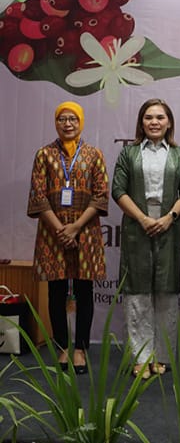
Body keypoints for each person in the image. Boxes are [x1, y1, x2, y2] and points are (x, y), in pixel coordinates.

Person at [112, 98, 180, 379]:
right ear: (141, 122)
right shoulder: (129, 153)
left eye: (160, 117)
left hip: (169, 225)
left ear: (169, 121)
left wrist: (168, 217)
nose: (154, 122)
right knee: (137, 294)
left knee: (165, 293)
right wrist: (144, 219)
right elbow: (118, 190)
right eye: (149, 117)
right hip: (138, 226)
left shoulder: (179, 154)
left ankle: (161, 356)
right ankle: (139, 357)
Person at [27, 101, 108, 374]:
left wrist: (75, 228)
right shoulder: (44, 155)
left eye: (73, 118)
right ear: (56, 122)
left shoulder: (94, 155)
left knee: (85, 291)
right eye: (62, 119)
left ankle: (81, 349)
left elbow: (101, 196)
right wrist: (61, 229)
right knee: (56, 290)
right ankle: (62, 347)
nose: (68, 123)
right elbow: (38, 197)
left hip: (86, 233)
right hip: (52, 234)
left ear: (81, 121)